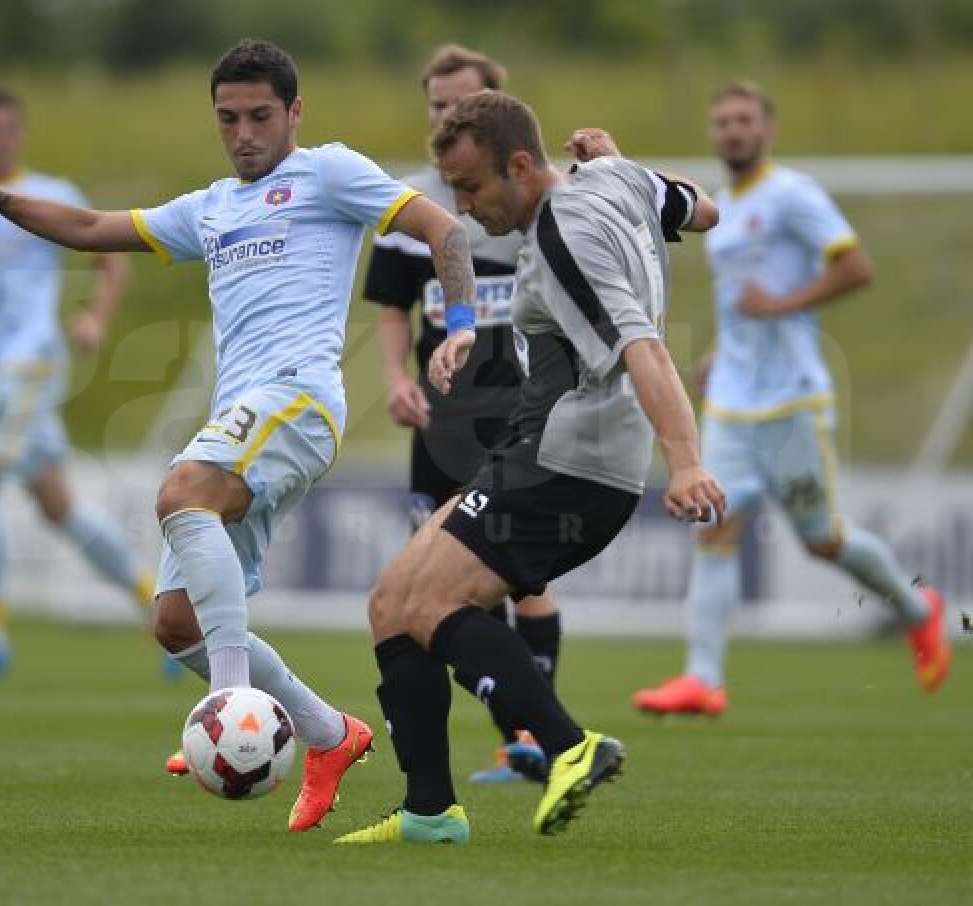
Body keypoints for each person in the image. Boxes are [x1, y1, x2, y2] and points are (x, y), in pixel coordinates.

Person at [0, 40, 479, 833]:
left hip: (300, 400)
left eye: (259, 115)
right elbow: (87, 227)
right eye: (228, 118)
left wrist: (460, 326)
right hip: (243, 417)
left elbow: (444, 230)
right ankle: (328, 733)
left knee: (182, 490)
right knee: (176, 621)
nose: (243, 132)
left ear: (294, 112)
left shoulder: (327, 172)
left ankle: (229, 705)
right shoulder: (212, 205)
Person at [335, 90, 722, 845]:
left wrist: (685, 463)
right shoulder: (613, 177)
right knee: (391, 603)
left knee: (429, 607)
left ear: (519, 164)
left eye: (473, 188)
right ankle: (428, 813)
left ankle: (569, 747)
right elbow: (703, 211)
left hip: (571, 460)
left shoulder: (562, 237)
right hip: (544, 450)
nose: (464, 209)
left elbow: (642, 346)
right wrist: (619, 161)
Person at [633, 81, 950, 717]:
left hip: (791, 403)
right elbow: (742, 301)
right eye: (722, 121)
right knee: (714, 528)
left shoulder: (793, 195)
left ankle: (920, 609)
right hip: (731, 402)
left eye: (744, 119)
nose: (732, 130)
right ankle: (703, 678)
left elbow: (855, 266)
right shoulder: (723, 210)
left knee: (822, 539)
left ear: (766, 129)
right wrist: (725, 351)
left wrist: (782, 305)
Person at [0, 88, 155, 682]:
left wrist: (95, 315)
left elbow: (110, 259)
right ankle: (162, 613)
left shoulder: (54, 194)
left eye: (7, 129)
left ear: (19, 133)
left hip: (31, 360)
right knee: (59, 506)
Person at [364, 44, 559, 785]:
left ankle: (530, 740)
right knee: (437, 580)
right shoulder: (408, 206)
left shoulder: (520, 198)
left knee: (525, 578)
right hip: (441, 420)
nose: (447, 114)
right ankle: (523, 733)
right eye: (437, 104)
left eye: (461, 102)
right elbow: (390, 307)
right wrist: (394, 379)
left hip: (517, 412)